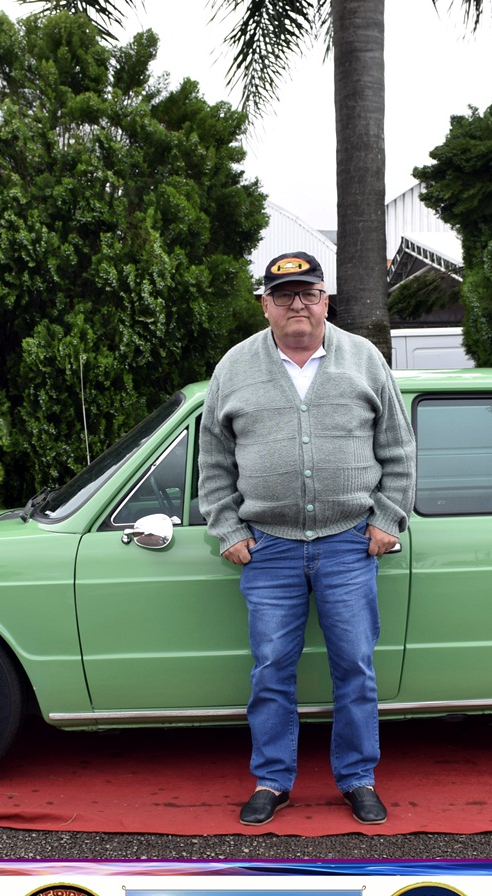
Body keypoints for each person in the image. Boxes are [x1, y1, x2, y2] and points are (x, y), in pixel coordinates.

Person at [198, 251, 416, 826]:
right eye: (284, 294)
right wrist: (227, 528)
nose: (297, 304)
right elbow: (213, 460)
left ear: (325, 300)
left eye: (309, 293)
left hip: (349, 543)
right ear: (265, 305)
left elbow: (398, 448)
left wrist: (387, 518)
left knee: (355, 668)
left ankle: (358, 778)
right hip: (268, 547)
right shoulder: (234, 368)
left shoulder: (364, 359)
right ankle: (272, 781)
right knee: (271, 670)